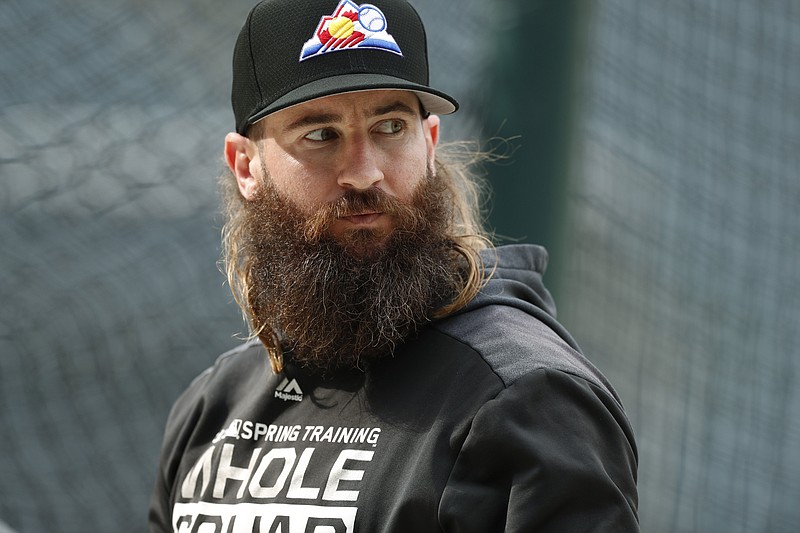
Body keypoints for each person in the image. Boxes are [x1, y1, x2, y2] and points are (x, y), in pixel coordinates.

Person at [148, 0, 639, 531]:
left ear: (429, 144)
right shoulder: (215, 406)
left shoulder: (523, 398)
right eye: (320, 135)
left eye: (389, 126)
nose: (363, 173)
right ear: (247, 166)